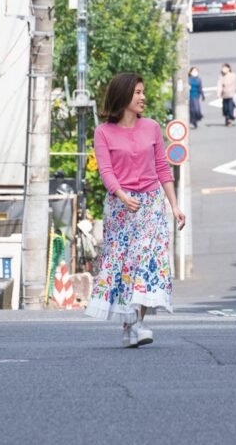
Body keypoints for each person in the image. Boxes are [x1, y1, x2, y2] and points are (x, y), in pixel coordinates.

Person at [86, 73, 186, 347]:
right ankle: (131, 326)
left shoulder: (152, 127)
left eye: (143, 92)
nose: (143, 97)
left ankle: (138, 323)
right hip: (121, 208)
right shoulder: (103, 132)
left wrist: (174, 205)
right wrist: (120, 194)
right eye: (138, 92)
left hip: (151, 203)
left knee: (146, 260)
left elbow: (162, 168)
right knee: (125, 263)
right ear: (123, 96)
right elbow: (105, 170)